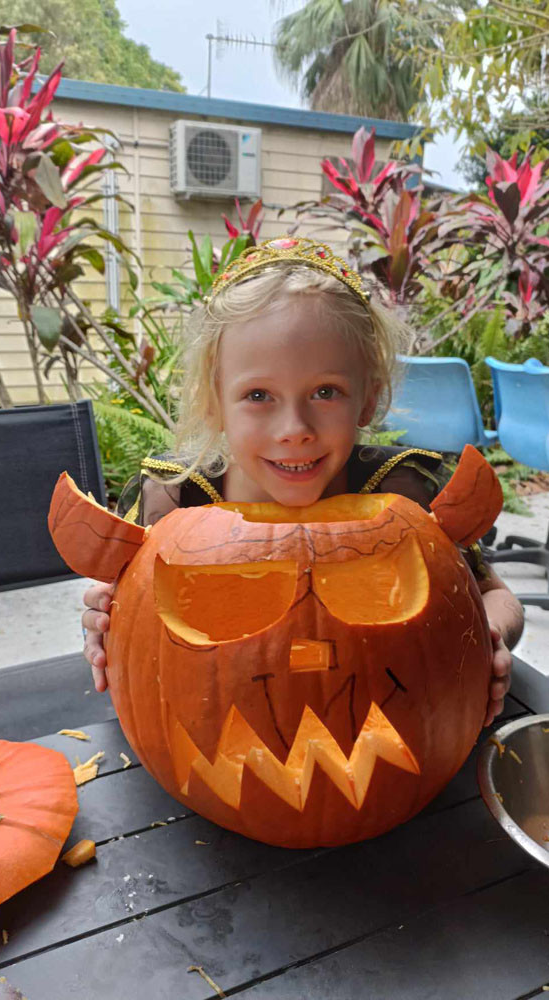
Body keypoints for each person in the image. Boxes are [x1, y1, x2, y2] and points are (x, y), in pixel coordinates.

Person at [81, 236, 523, 727]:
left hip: (387, 712)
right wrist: (108, 624)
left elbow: (496, 596)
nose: (295, 429)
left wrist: (489, 633)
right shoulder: (175, 504)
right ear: (214, 402)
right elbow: (137, 627)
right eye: (258, 395)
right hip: (221, 719)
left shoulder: (402, 494)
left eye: (325, 391)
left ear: (369, 398)